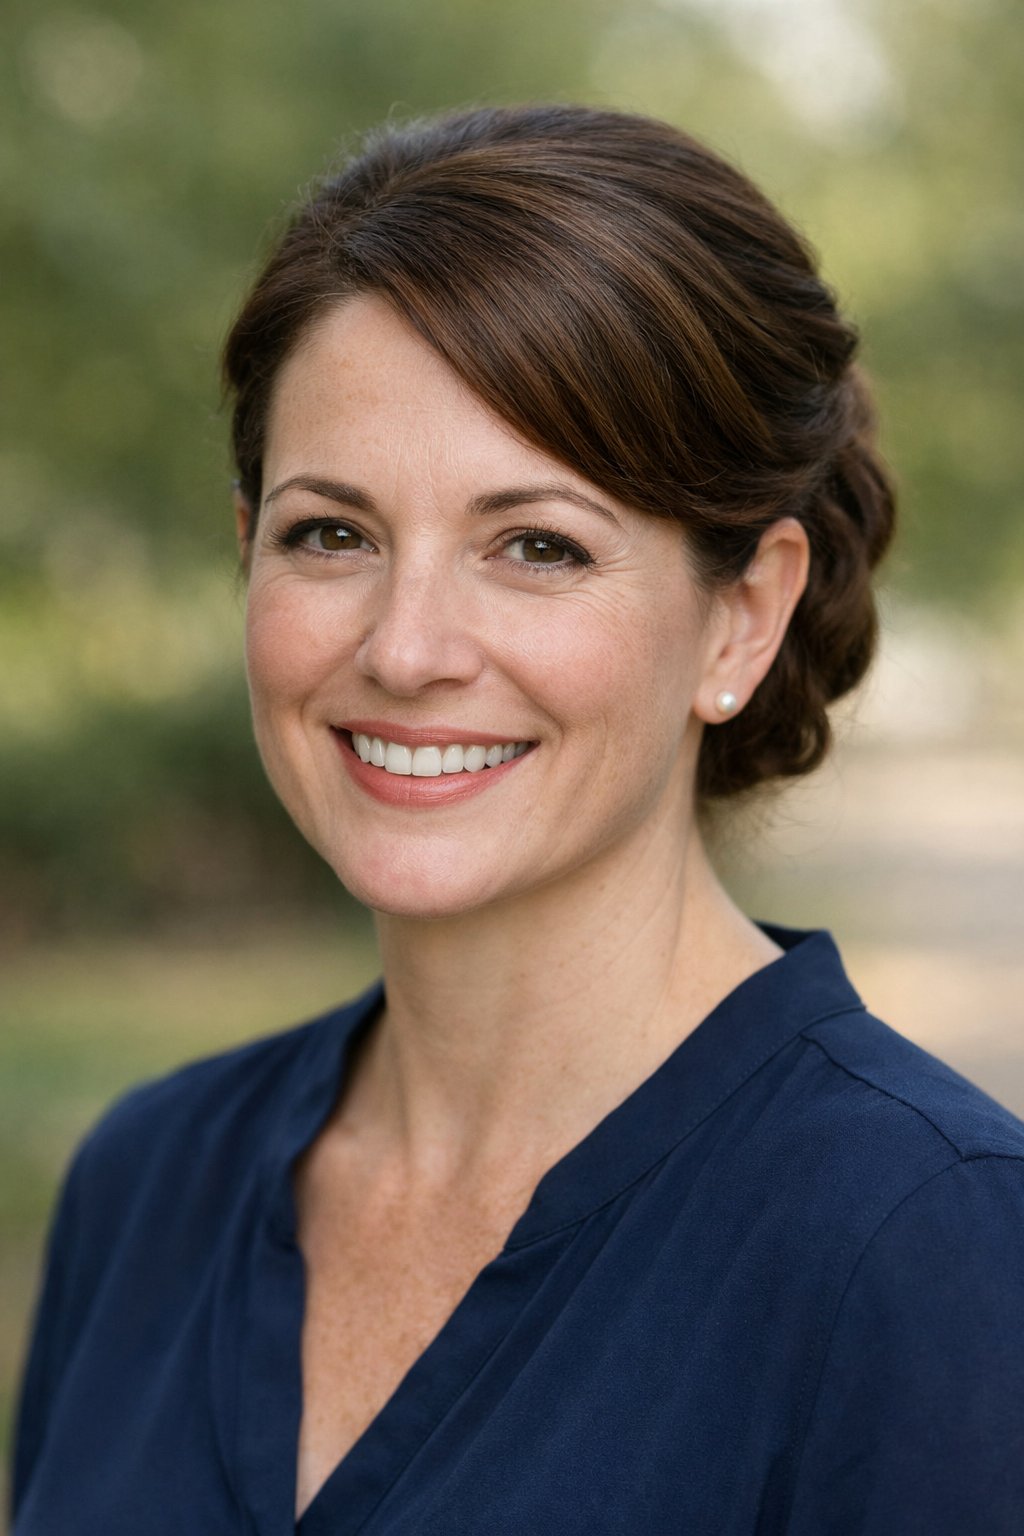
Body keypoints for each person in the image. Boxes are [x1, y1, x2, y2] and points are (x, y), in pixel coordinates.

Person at [11, 104, 1024, 1535]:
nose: (408, 646)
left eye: (536, 545)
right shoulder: (147, 1181)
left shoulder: (938, 1253)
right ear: (249, 556)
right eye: (334, 534)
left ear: (742, 616)